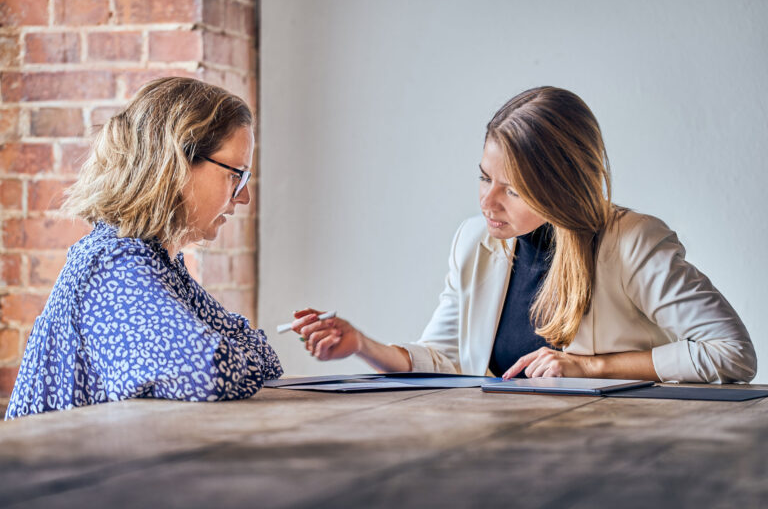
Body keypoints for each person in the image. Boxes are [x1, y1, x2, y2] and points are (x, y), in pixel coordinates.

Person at [290, 86, 756, 384]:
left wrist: (592, 367)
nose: (487, 202)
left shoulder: (632, 242)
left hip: (622, 453)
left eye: (512, 189)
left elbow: (732, 354)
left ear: (559, 188)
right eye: (483, 177)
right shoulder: (475, 242)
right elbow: (445, 358)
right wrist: (362, 346)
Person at [5, 77, 282, 420]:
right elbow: (214, 370)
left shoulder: (158, 262)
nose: (244, 196)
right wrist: (238, 354)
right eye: (235, 174)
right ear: (177, 162)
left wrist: (241, 353)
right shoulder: (112, 266)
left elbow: (262, 354)